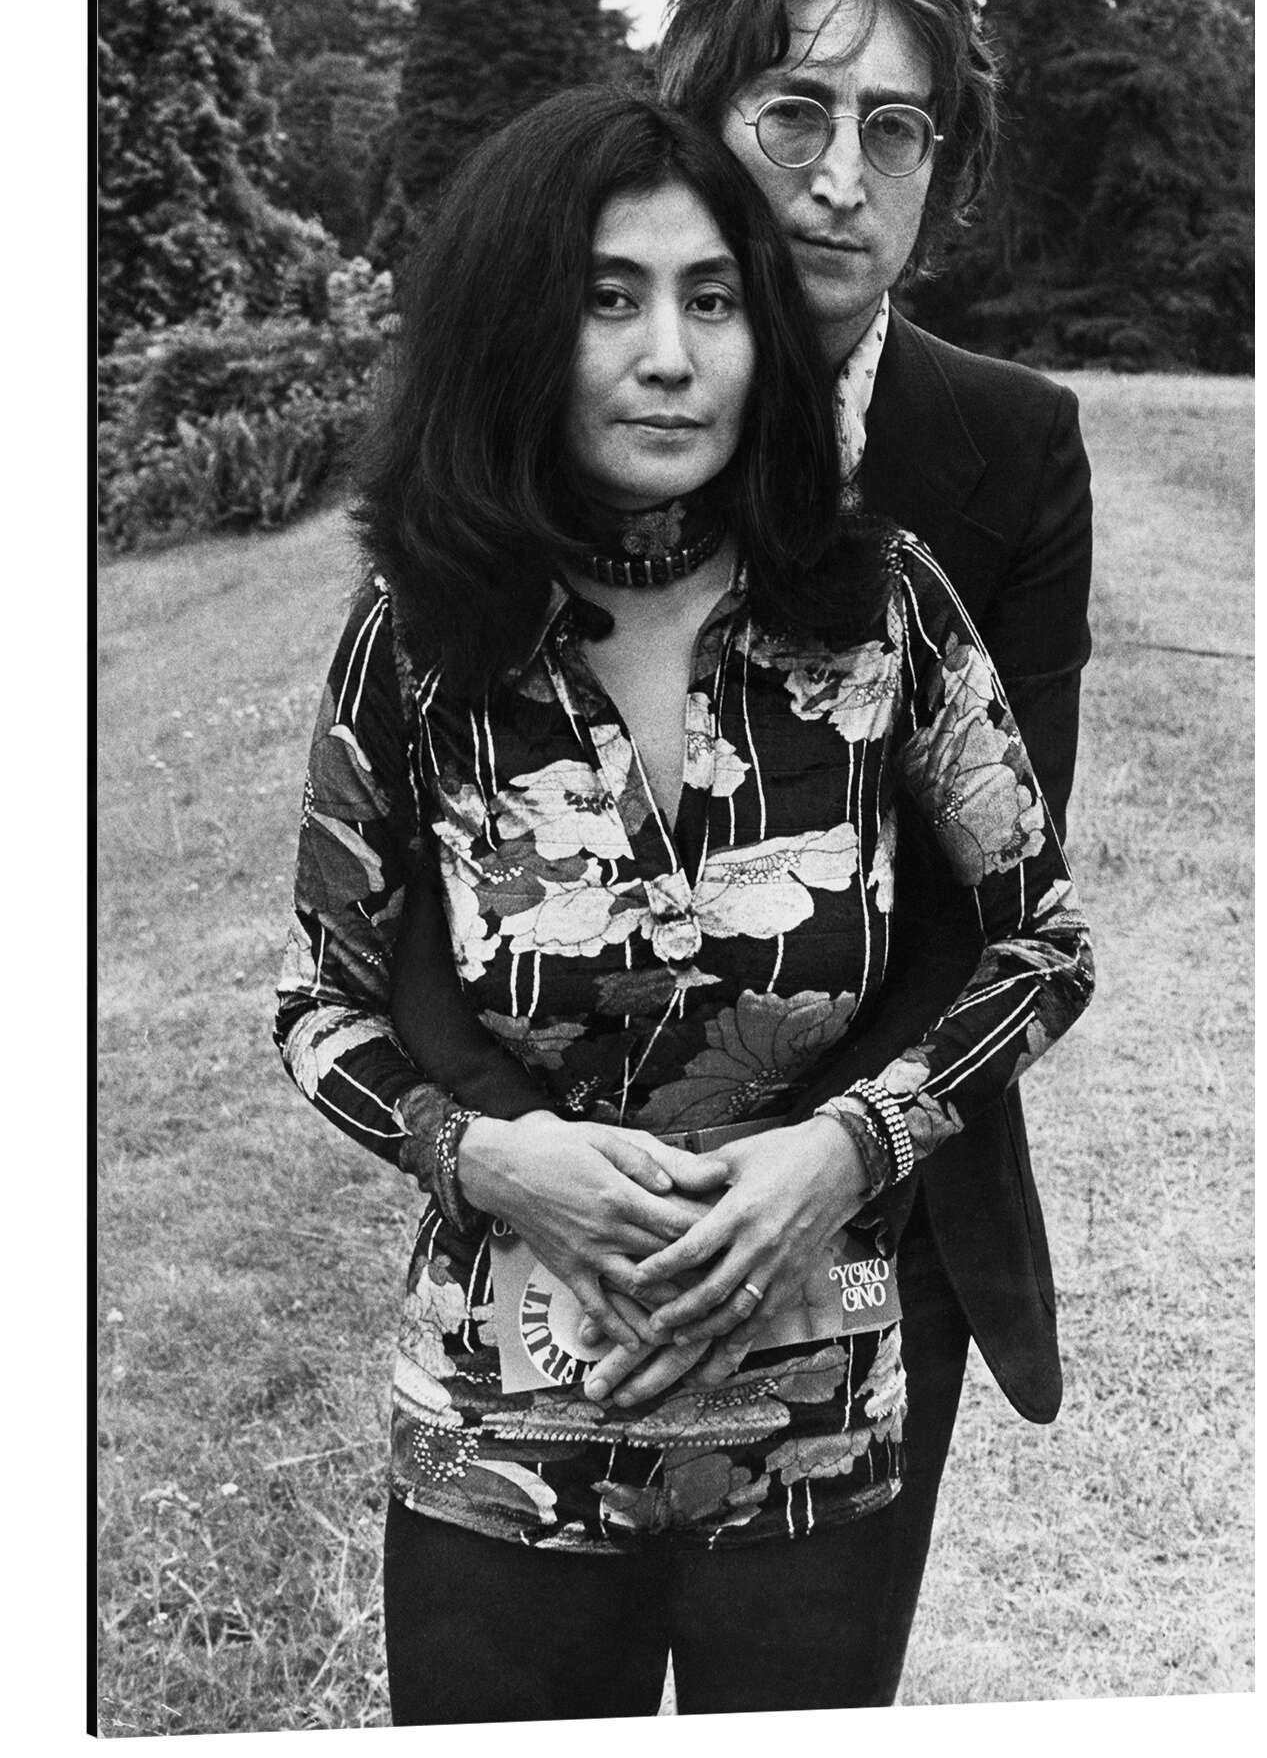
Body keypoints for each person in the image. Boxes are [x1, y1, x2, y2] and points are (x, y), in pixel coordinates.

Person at [275, 84, 1094, 1722]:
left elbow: (1041, 944)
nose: (671, 355)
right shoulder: (418, 639)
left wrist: (846, 1150)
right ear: (517, 331)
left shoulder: (879, 607)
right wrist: (486, 1156)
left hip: (811, 1425)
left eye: (711, 300)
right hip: (502, 1429)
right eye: (610, 299)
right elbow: (321, 1004)